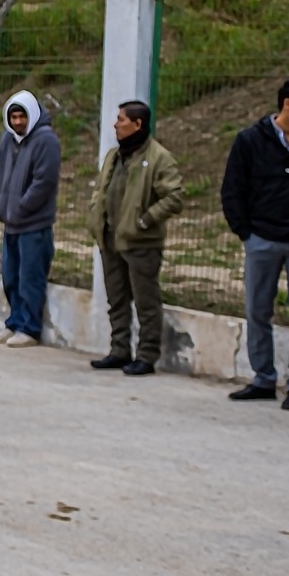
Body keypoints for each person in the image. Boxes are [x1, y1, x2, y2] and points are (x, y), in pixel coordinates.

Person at [220, 78, 289, 411]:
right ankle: (263, 378)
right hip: (260, 238)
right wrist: (245, 232)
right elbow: (232, 188)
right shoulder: (250, 140)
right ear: (288, 104)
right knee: (257, 309)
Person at [87, 101, 185, 378]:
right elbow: (101, 190)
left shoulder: (158, 158)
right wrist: (96, 216)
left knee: (145, 302)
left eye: (121, 120)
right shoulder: (114, 156)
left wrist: (145, 219)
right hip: (111, 240)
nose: (116, 124)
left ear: (138, 124)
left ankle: (146, 354)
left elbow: (175, 196)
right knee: (116, 299)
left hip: (141, 243)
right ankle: (119, 349)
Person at [0, 90, 62, 347]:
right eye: (14, 117)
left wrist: (21, 207)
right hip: (10, 222)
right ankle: (14, 322)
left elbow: (44, 181)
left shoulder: (46, 140)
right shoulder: (8, 139)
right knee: (11, 276)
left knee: (30, 277)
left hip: (34, 224)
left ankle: (29, 328)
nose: (18, 122)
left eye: (22, 116)